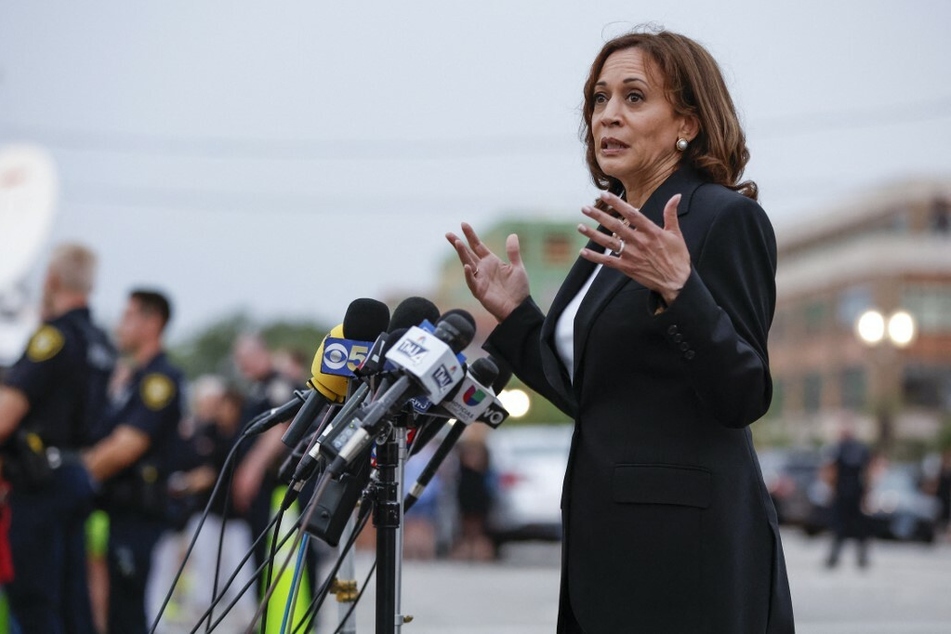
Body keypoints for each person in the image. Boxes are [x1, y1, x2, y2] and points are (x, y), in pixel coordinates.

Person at [447, 28, 794, 633]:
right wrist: (517, 315)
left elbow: (744, 392)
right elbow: (594, 396)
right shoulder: (614, 232)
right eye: (599, 98)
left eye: (634, 97)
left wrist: (679, 291)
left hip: (686, 555)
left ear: (686, 120)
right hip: (604, 547)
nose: (607, 115)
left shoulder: (722, 218)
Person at [0, 243, 116, 633]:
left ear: (52, 279)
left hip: (39, 484)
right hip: (76, 476)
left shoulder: (52, 337)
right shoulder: (100, 341)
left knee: (35, 601)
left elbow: (6, 415)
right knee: (72, 602)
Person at [83, 289, 184, 634]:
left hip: (139, 512)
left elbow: (127, 446)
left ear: (152, 323)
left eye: (128, 316)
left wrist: (71, 474)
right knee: (114, 611)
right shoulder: (132, 378)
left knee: (128, 612)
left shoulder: (160, 379)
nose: (120, 325)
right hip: (118, 509)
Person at [824, 425, 872, 568]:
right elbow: (867, 473)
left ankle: (835, 558)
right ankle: (859, 559)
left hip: (845, 492)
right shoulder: (860, 449)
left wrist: (831, 489)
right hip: (854, 492)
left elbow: (832, 470)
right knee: (855, 527)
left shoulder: (839, 448)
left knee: (841, 527)